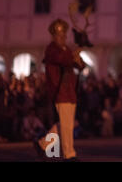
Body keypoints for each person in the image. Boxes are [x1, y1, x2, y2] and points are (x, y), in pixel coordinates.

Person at [33, 18, 85, 161]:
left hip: (69, 91)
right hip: (60, 90)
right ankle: (69, 154)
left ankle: (43, 143)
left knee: (65, 124)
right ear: (54, 36)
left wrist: (78, 55)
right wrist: (73, 54)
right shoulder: (51, 49)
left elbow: (80, 66)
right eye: (60, 35)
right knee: (67, 125)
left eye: (64, 35)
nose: (63, 38)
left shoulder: (66, 49)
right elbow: (63, 59)